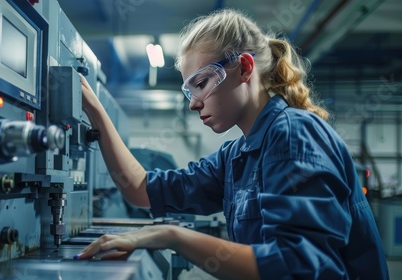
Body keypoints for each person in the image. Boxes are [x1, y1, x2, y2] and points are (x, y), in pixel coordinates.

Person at [75, 8, 389, 280]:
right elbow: (142, 190)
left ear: (245, 68)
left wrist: (171, 235)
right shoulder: (237, 156)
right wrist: (96, 112)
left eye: (201, 83)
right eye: (189, 91)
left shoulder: (295, 134)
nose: (193, 104)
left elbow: (297, 268)